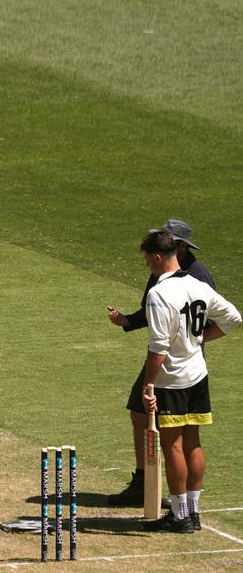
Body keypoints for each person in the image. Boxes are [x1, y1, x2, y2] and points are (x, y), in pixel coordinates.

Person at [104, 219, 215, 507]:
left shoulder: (197, 275)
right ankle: (145, 482)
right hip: (165, 356)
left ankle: (181, 507)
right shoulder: (160, 271)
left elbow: (208, 320)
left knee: (178, 439)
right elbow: (151, 311)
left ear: (178, 245)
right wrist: (127, 320)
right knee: (140, 415)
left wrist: (193, 342)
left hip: (175, 363)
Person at [136, 230, 238, 533]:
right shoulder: (197, 284)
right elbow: (233, 318)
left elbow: (158, 348)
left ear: (157, 257)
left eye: (146, 259)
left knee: (173, 447)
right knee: (193, 442)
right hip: (198, 375)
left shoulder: (158, 293)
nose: (146, 266)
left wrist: (147, 386)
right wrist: (197, 340)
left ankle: (180, 516)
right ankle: (193, 512)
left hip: (172, 381)